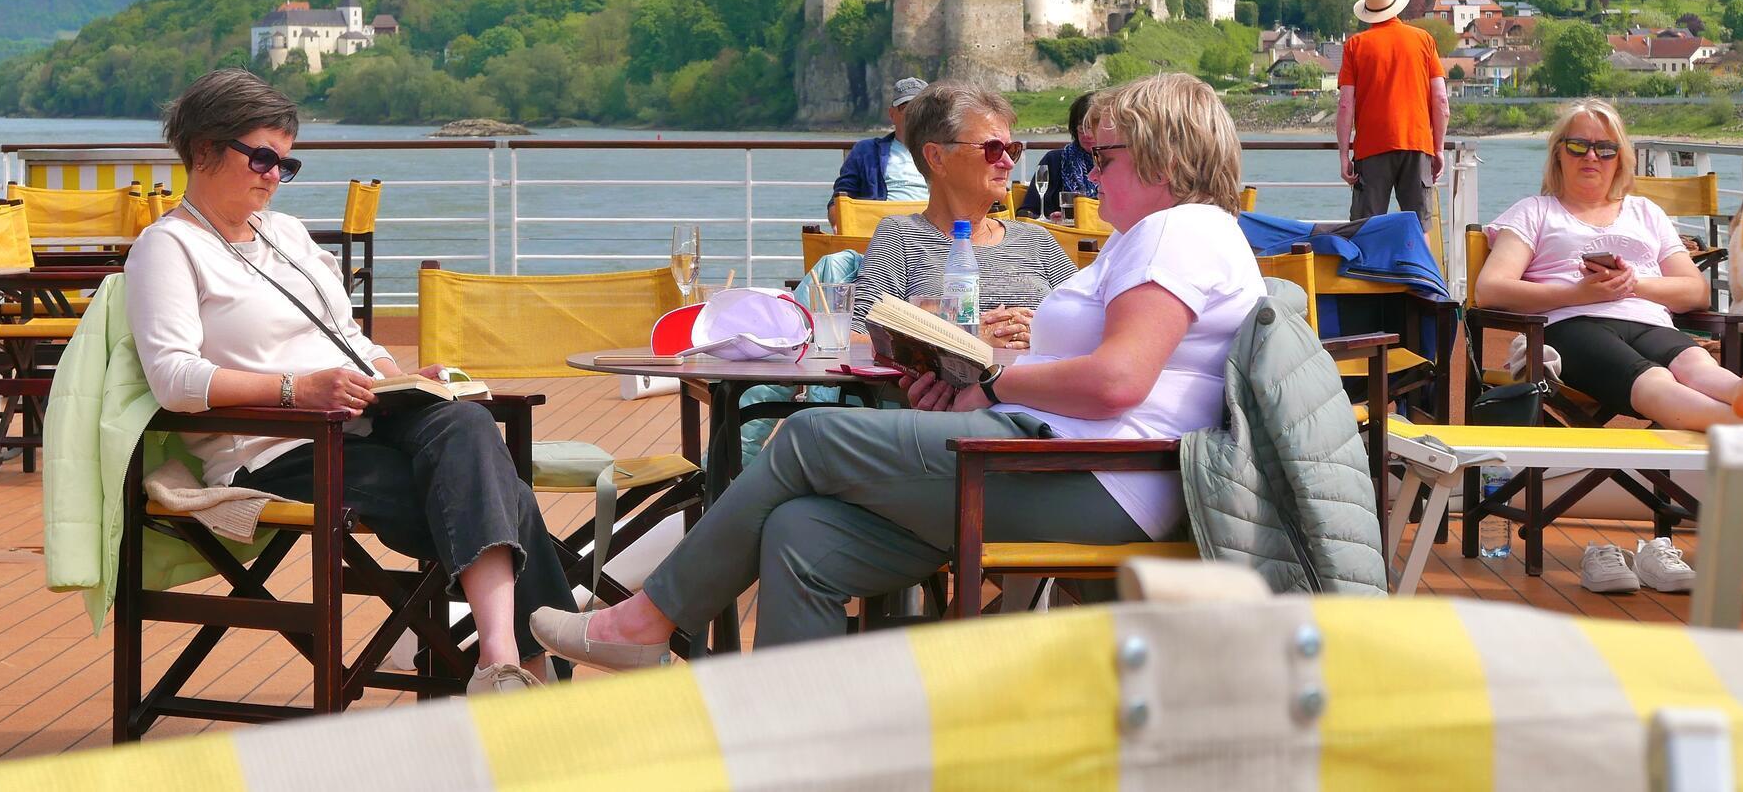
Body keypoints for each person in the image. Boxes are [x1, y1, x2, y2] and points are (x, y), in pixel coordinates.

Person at [529, 73, 1266, 663]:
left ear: (1165, 160)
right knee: (802, 533)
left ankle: (644, 623)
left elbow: (1115, 383)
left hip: (1091, 478)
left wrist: (986, 377)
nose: (1088, 174)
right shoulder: (1174, 236)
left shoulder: (1176, 233)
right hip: (1056, 463)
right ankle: (796, 762)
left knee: (809, 439)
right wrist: (968, 385)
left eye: (1102, 159)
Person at [125, 69, 574, 694]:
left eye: (285, 163)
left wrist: (401, 377)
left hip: (363, 421)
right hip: (274, 448)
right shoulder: (167, 247)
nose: (273, 175)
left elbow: (350, 339)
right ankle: (520, 665)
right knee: (490, 490)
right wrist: (296, 390)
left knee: (465, 422)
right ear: (203, 150)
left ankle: (494, 658)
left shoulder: (283, 234)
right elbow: (173, 377)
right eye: (260, 157)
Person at [1475, 100, 1743, 593]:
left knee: (1703, 370)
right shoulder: (1535, 212)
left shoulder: (1645, 212)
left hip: (1646, 317)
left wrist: (1632, 284)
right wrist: (1578, 293)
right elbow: (1491, 289)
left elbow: (1694, 291)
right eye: (1577, 145)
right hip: (1570, 325)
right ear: (1558, 154)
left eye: (1604, 148)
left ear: (1621, 157)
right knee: (1657, 381)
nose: (1591, 157)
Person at [851, 82, 1076, 351]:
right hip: (951, 391)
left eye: (1011, 149)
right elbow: (855, 339)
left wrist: (1042, 332)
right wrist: (962, 341)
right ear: (936, 157)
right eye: (993, 149)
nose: (1009, 163)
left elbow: (1091, 325)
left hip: (1041, 388)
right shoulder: (902, 236)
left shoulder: (1036, 239)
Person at [1336, 0, 1448, 225]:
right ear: (1396, 6)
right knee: (1419, 229)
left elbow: (1345, 104)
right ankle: (1419, 265)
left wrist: (1344, 155)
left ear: (1368, 12)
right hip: (1417, 143)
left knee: (1365, 229)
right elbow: (1441, 100)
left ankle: (1371, 266)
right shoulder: (1424, 40)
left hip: (1371, 147)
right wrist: (1437, 148)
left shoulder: (1355, 45)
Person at [828, 77, 929, 227]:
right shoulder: (866, 152)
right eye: (905, 107)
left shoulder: (947, 153)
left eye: (920, 108)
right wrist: (843, 225)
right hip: (880, 232)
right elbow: (838, 203)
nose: (913, 114)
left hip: (932, 232)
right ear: (892, 114)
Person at [1017, 90, 1098, 219]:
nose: (1087, 134)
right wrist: (1051, 220)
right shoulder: (1053, 161)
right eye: (1081, 127)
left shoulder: (1120, 164)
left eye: (1093, 128)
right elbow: (1026, 212)